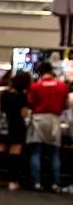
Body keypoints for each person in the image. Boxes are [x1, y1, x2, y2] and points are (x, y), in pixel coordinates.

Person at [26, 61, 68, 192]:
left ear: (40, 72)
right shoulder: (62, 86)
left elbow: (30, 103)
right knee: (55, 152)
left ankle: (37, 182)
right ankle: (55, 183)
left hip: (39, 119)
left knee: (36, 152)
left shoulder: (35, 86)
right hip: (55, 119)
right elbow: (66, 105)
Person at [0, 71, 29, 191]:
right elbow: (24, 113)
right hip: (17, 126)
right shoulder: (22, 96)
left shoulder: (4, 94)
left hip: (3, 126)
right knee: (15, 152)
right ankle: (12, 181)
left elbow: (0, 109)